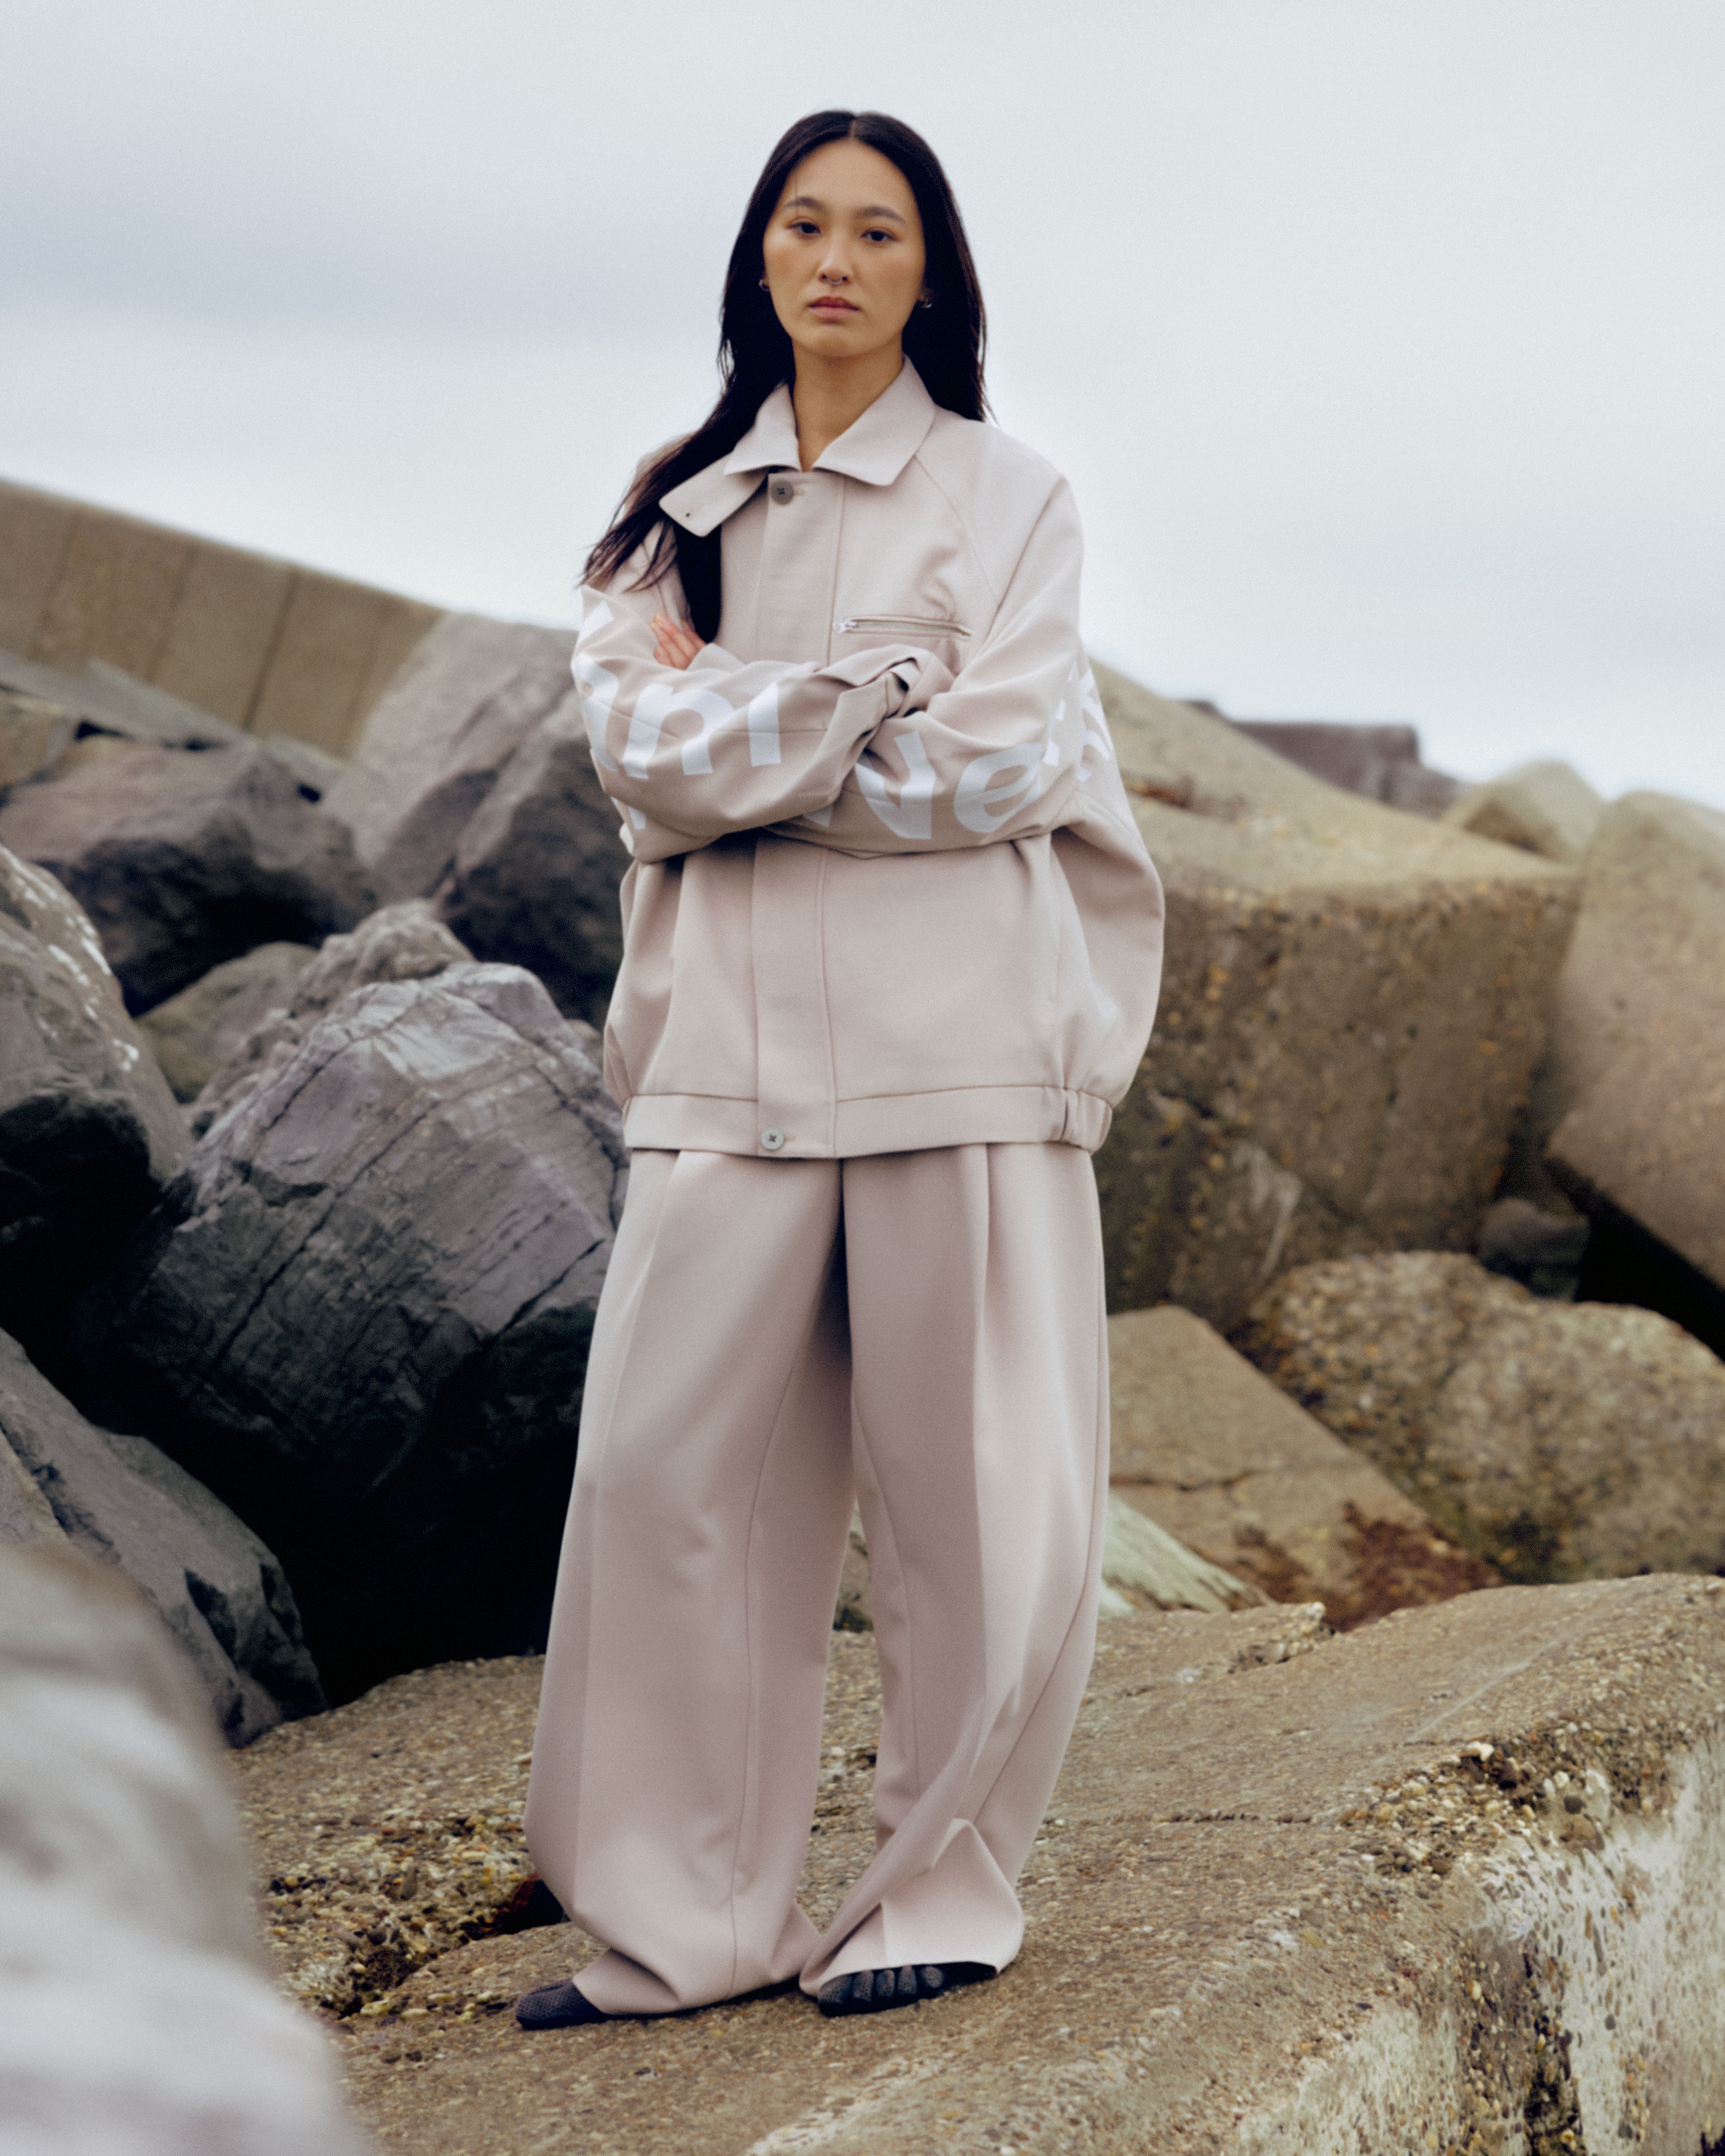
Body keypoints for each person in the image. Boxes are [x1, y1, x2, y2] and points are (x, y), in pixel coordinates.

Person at [518, 108, 1163, 2027]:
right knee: (663, 1478)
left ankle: (934, 1893)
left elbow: (1001, 768)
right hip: (722, 1053)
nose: (836, 259)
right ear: (760, 256)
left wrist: (749, 741)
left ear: (930, 272)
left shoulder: (1012, 499)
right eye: (804, 224)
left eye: (879, 231)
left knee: (972, 1497)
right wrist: (874, 698)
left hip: (959, 1050)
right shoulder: (674, 507)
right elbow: (634, 752)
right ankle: (686, 1920)